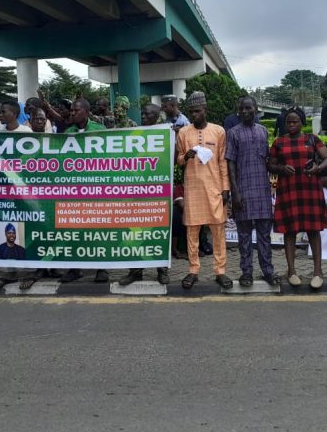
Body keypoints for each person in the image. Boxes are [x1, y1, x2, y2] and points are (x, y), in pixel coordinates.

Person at [268, 106, 327, 289]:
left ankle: (318, 272)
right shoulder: (279, 142)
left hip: (310, 189)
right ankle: (291, 271)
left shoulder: (312, 139)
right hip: (288, 190)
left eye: (295, 121)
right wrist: (281, 168)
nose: (291, 125)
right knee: (290, 231)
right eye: (288, 122)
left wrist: (318, 169)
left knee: (313, 230)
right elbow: (270, 165)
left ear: (302, 123)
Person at [176, 91, 233, 290]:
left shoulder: (219, 131)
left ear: (205, 110)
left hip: (214, 188)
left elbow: (223, 161)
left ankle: (220, 271)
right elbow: (179, 160)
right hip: (193, 189)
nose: (194, 115)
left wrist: (226, 188)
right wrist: (186, 156)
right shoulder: (184, 133)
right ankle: (193, 270)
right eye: (191, 112)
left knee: (218, 231)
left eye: (198, 111)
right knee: (192, 231)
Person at [117, 103, 170, 286]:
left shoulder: (166, 134)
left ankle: (162, 270)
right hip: (136, 191)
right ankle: (135, 271)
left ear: (156, 116)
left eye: (147, 114)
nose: (143, 117)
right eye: (142, 114)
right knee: (135, 233)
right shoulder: (135, 133)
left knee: (158, 232)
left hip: (157, 192)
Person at [226, 96, 277, 287]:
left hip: (262, 191)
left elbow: (268, 161)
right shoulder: (233, 133)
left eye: (249, 108)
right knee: (244, 236)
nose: (245, 112)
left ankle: (268, 271)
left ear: (256, 109)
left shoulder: (263, 131)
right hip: (243, 191)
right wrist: (235, 192)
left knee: (265, 235)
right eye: (242, 109)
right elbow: (230, 163)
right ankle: (246, 273)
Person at [62, 98, 108, 283]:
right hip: (75, 191)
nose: (72, 113)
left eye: (76, 110)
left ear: (87, 112)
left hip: (96, 189)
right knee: (75, 230)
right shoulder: (67, 133)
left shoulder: (100, 130)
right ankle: (75, 268)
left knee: (98, 229)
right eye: (71, 110)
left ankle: (102, 268)